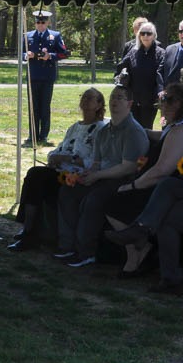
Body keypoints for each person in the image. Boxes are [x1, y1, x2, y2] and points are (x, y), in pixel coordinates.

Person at [101, 83, 183, 277]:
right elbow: (164, 136)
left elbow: (161, 171)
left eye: (164, 101)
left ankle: (138, 252)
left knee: (114, 202)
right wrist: (144, 131)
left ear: (177, 104)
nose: (160, 106)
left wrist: (132, 186)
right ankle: (138, 251)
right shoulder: (182, 125)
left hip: (170, 189)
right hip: (162, 186)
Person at [55, 85, 149, 267]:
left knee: (93, 200)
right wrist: (86, 174)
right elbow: (97, 162)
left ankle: (86, 253)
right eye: (113, 97)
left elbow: (128, 167)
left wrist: (97, 176)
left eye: (120, 98)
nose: (114, 101)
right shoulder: (104, 131)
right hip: (101, 177)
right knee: (68, 191)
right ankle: (67, 246)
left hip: (123, 182)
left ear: (129, 104)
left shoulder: (133, 131)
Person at [8, 88, 107, 251]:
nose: (85, 100)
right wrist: (53, 157)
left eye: (90, 98)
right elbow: (60, 148)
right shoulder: (74, 127)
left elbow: (95, 161)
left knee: (36, 176)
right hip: (60, 171)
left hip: (77, 176)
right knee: (34, 175)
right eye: (83, 97)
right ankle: (28, 229)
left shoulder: (100, 129)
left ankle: (29, 232)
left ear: (99, 105)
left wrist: (69, 159)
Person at [23, 9, 68, 146]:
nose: (40, 25)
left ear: (48, 22)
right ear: (35, 23)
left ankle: (43, 136)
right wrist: (26, 55)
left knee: (44, 107)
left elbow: (64, 53)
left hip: (47, 77)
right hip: (33, 76)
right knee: (33, 107)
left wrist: (50, 56)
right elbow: (20, 53)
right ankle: (33, 135)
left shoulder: (55, 35)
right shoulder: (28, 36)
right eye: (38, 22)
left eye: (43, 22)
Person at [115, 21, 165, 128]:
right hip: (132, 99)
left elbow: (160, 74)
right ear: (139, 36)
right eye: (142, 33)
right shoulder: (133, 52)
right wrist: (119, 78)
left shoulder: (161, 53)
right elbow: (121, 66)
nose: (145, 36)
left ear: (154, 36)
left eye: (149, 33)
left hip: (150, 100)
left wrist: (160, 92)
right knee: (132, 127)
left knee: (146, 128)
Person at [159, 18, 183, 86]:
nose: (182, 34)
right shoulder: (169, 49)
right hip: (165, 91)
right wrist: (160, 89)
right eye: (180, 31)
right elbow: (160, 71)